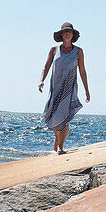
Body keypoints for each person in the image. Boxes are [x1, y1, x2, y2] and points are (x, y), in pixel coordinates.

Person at [38, 22, 91, 154]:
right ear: (61, 34)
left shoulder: (78, 51)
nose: (67, 33)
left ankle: (61, 147)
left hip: (70, 87)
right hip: (55, 87)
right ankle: (57, 137)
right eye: (65, 31)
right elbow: (46, 66)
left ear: (73, 35)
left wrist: (87, 90)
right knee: (53, 115)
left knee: (65, 117)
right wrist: (41, 81)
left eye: (70, 31)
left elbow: (83, 71)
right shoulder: (54, 50)